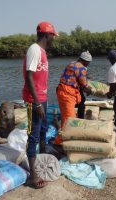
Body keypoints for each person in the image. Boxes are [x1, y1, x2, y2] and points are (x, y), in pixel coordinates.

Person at [22, 21, 58, 188]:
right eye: (52, 35)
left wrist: (43, 100)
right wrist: (36, 103)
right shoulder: (34, 49)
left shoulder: (42, 51)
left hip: (42, 99)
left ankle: (42, 155)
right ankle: (33, 176)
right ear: (46, 35)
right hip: (33, 101)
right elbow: (29, 76)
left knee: (44, 129)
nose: (53, 39)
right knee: (33, 135)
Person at [56, 51, 92, 129]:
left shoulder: (71, 64)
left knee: (81, 101)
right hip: (67, 93)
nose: (88, 64)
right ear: (86, 61)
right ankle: (64, 136)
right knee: (69, 119)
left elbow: (78, 78)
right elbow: (84, 85)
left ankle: (78, 123)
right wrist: (90, 91)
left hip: (62, 90)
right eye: (88, 63)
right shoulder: (81, 67)